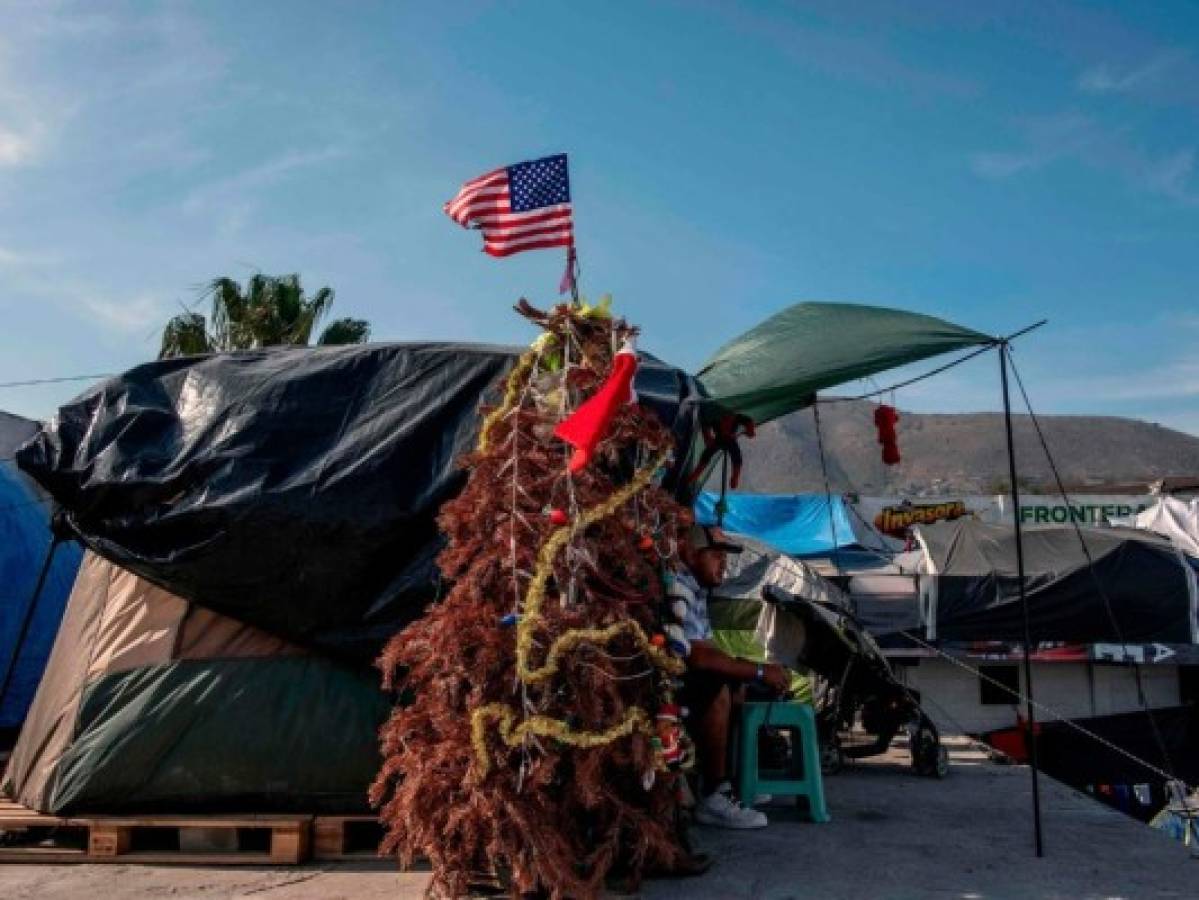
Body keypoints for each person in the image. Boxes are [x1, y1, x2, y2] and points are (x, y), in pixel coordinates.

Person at [671, 523, 790, 829]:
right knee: (716, 685)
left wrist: (753, 669)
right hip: (665, 686)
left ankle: (740, 780)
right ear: (690, 553)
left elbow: (709, 648)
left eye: (724, 557)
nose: (723, 563)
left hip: (684, 677)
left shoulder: (698, 591)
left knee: (737, 682)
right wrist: (760, 669)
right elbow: (697, 656)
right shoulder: (679, 586)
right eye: (715, 555)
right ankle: (713, 794)